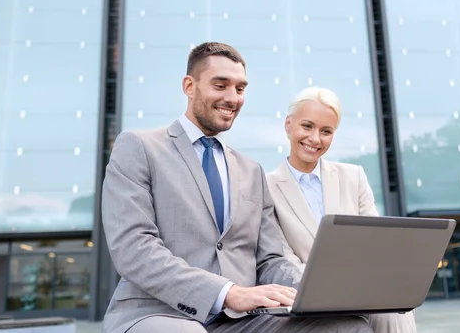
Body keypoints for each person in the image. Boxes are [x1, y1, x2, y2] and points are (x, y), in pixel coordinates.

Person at [100, 42, 373, 333]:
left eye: (240, 89)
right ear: (189, 86)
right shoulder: (139, 147)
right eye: (221, 85)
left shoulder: (251, 171)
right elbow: (134, 249)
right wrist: (228, 292)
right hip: (158, 314)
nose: (233, 98)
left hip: (241, 321)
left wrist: (319, 289)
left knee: (347, 326)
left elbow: (270, 259)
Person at [266, 87, 418, 333]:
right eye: (307, 126)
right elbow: (282, 258)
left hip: (364, 287)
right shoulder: (266, 188)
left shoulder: (353, 176)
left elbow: (376, 241)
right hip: (309, 294)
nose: (315, 139)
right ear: (288, 125)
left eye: (326, 131)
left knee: (396, 313)